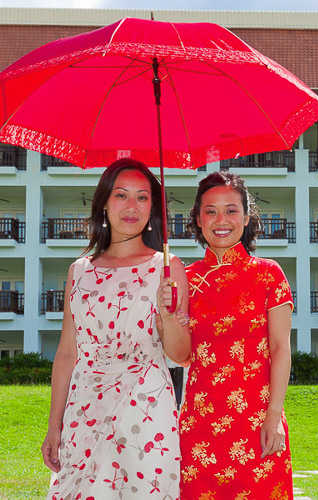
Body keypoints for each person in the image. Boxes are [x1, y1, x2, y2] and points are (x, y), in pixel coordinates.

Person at [42, 159, 190, 500]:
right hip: (86, 405)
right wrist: (54, 427)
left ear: (153, 207)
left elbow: (181, 355)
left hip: (145, 406)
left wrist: (168, 314)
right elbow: (67, 352)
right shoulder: (79, 271)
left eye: (142, 197)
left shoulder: (167, 268)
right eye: (121, 195)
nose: (131, 206)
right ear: (104, 203)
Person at [180, 171, 296, 498]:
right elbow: (180, 355)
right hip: (199, 428)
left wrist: (273, 417)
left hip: (259, 422)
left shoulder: (269, 275)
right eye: (211, 210)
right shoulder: (184, 280)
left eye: (231, 210)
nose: (222, 219)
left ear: (246, 217)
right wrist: (167, 312)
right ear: (198, 219)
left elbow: (280, 348)